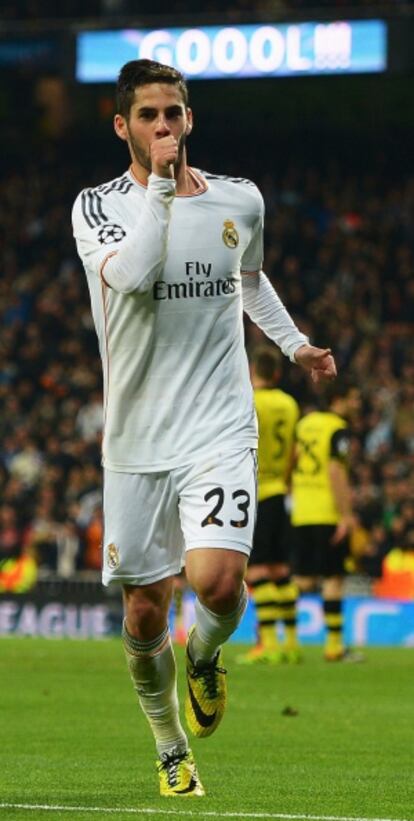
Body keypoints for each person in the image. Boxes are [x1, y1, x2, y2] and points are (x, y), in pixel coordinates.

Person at [72, 58, 337, 798]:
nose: (164, 126)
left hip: (220, 425)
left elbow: (246, 278)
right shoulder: (95, 208)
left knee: (218, 584)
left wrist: (295, 345)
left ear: (190, 119)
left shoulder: (239, 200)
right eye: (149, 116)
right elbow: (129, 276)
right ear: (123, 126)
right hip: (136, 440)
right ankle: (168, 744)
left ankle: (206, 654)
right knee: (142, 608)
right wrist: (159, 189)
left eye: (174, 114)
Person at [237, 345, 301, 665]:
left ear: (253, 372)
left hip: (256, 490)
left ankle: (269, 644)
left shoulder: (248, 401)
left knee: (258, 570)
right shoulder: (290, 405)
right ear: (277, 373)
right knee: (281, 571)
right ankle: (291, 643)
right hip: (281, 492)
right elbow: (295, 452)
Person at [290, 382, 362, 662]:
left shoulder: (305, 423)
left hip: (301, 511)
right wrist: (346, 515)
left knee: (302, 580)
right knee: (334, 577)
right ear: (338, 399)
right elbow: (335, 471)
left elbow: (293, 458)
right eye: (353, 398)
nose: (356, 404)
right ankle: (334, 646)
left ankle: (282, 638)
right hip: (326, 511)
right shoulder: (338, 429)